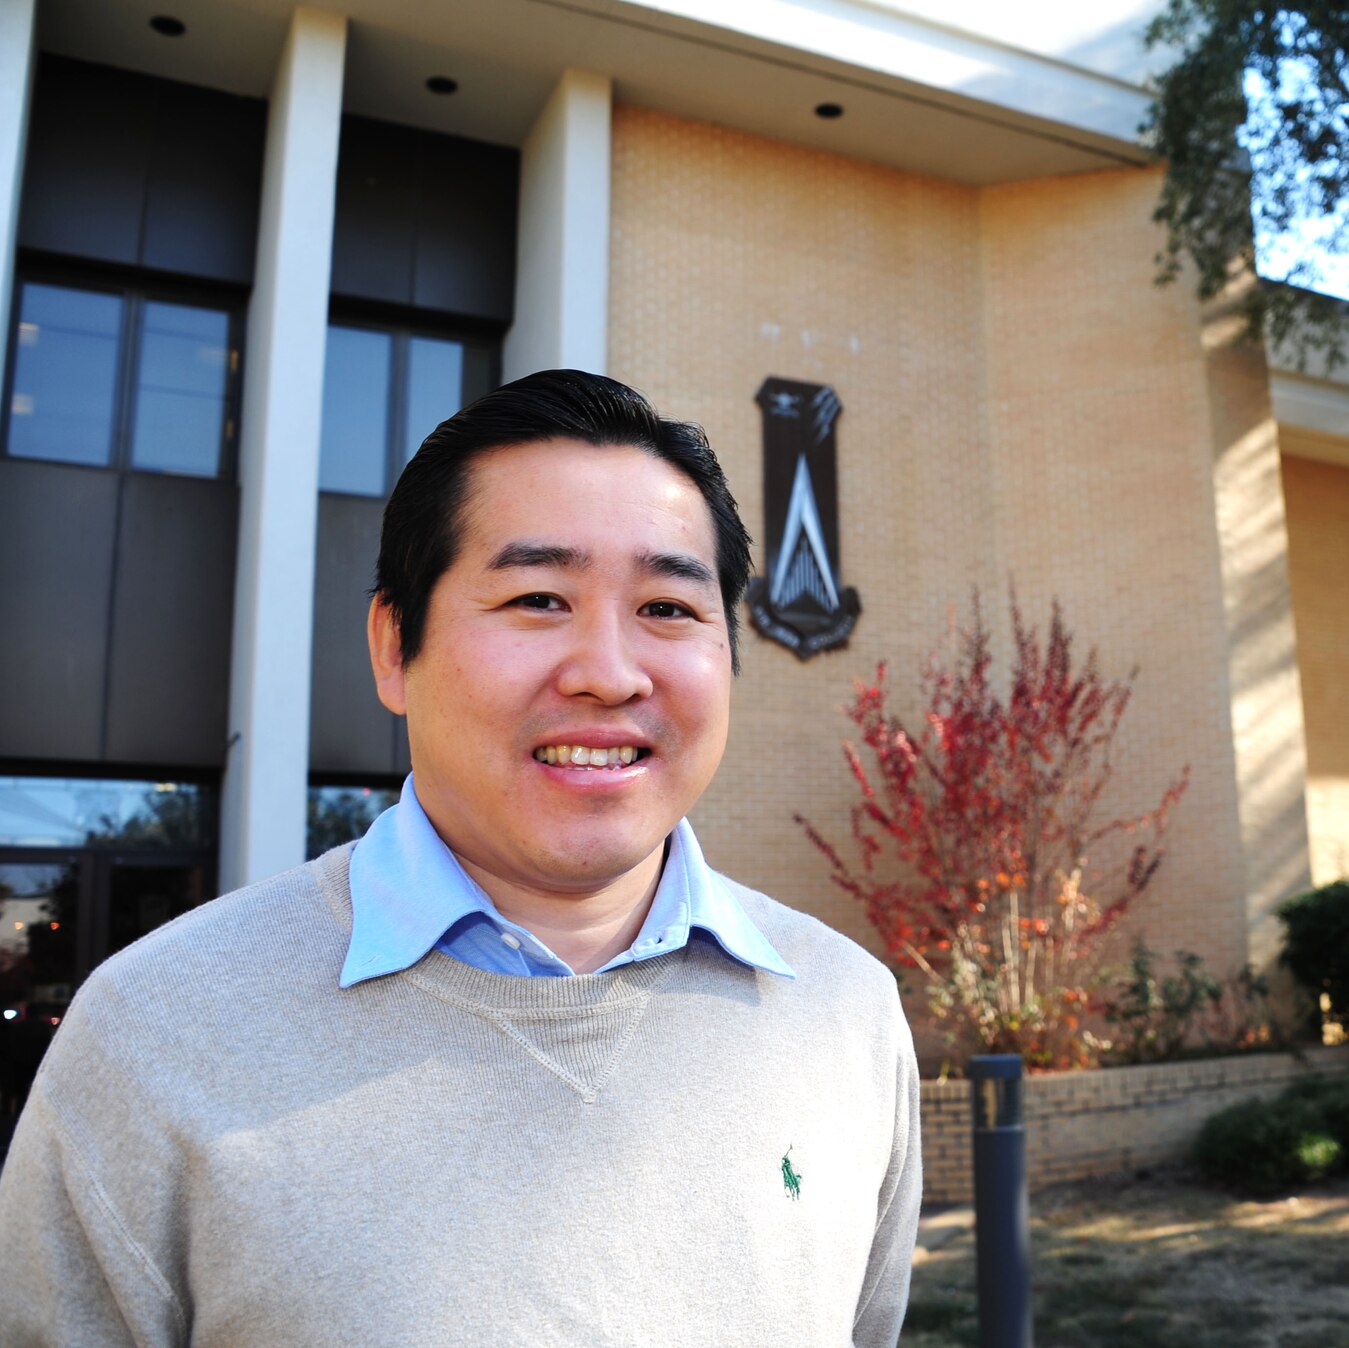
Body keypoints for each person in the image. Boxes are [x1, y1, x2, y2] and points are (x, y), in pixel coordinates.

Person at [0, 370, 921, 1346]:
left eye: (667, 607)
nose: (609, 673)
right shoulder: (156, 1028)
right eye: (537, 597)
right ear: (395, 646)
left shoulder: (842, 1012)